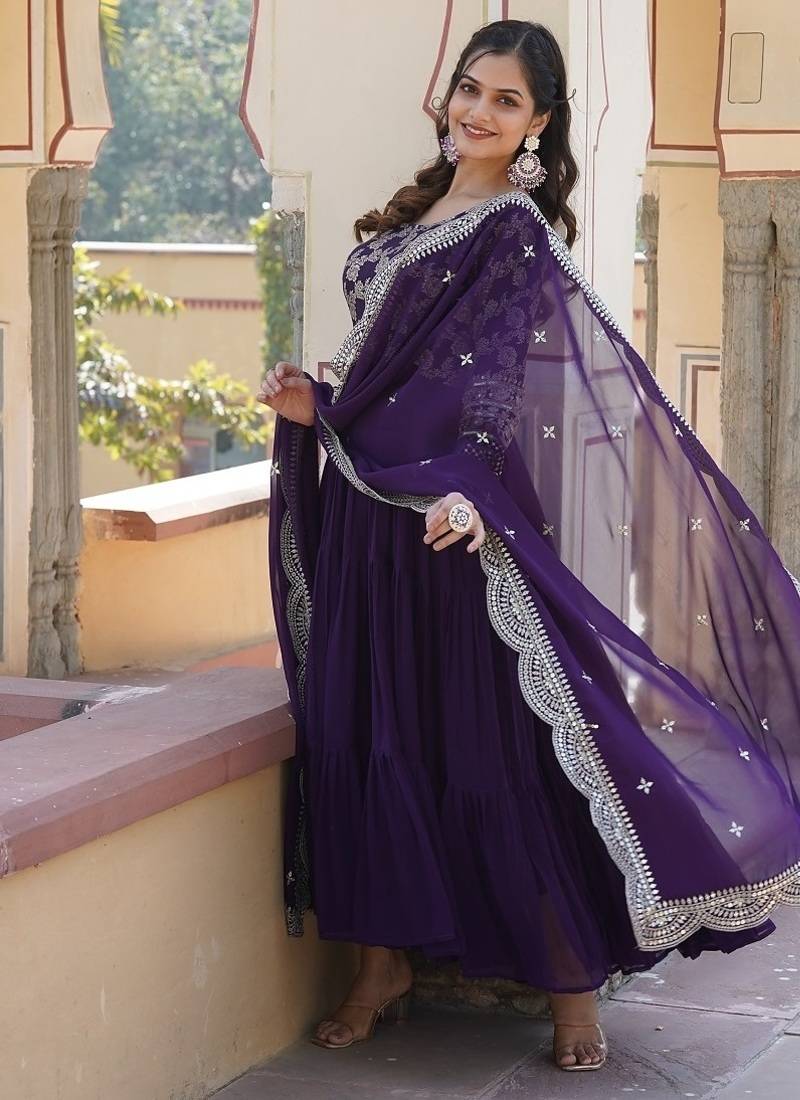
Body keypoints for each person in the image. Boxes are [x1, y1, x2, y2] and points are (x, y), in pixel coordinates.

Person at [259, 19, 800, 1074]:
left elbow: (493, 384)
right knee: (372, 738)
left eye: (505, 101)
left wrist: (469, 490)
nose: (478, 111)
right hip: (369, 519)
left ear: (538, 124)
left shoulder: (509, 231)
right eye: (470, 89)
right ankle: (378, 966)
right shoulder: (403, 221)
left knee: (498, 754)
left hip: (451, 529)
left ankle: (568, 984)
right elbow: (384, 382)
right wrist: (311, 405)